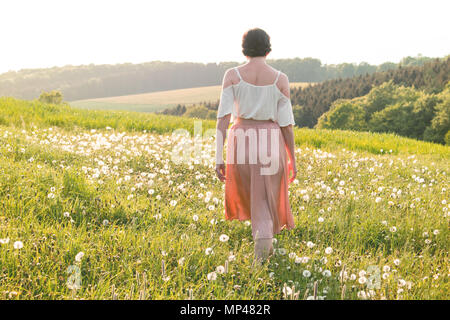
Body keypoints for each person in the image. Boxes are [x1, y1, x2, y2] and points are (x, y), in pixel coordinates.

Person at [215, 28, 297, 265]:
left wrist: (218, 156)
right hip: (270, 141)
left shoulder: (232, 75)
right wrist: (292, 157)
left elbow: (223, 119)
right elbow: (287, 125)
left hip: (241, 140)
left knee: (256, 202)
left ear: (244, 48)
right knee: (263, 206)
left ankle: (264, 256)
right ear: (268, 48)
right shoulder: (280, 79)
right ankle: (261, 266)